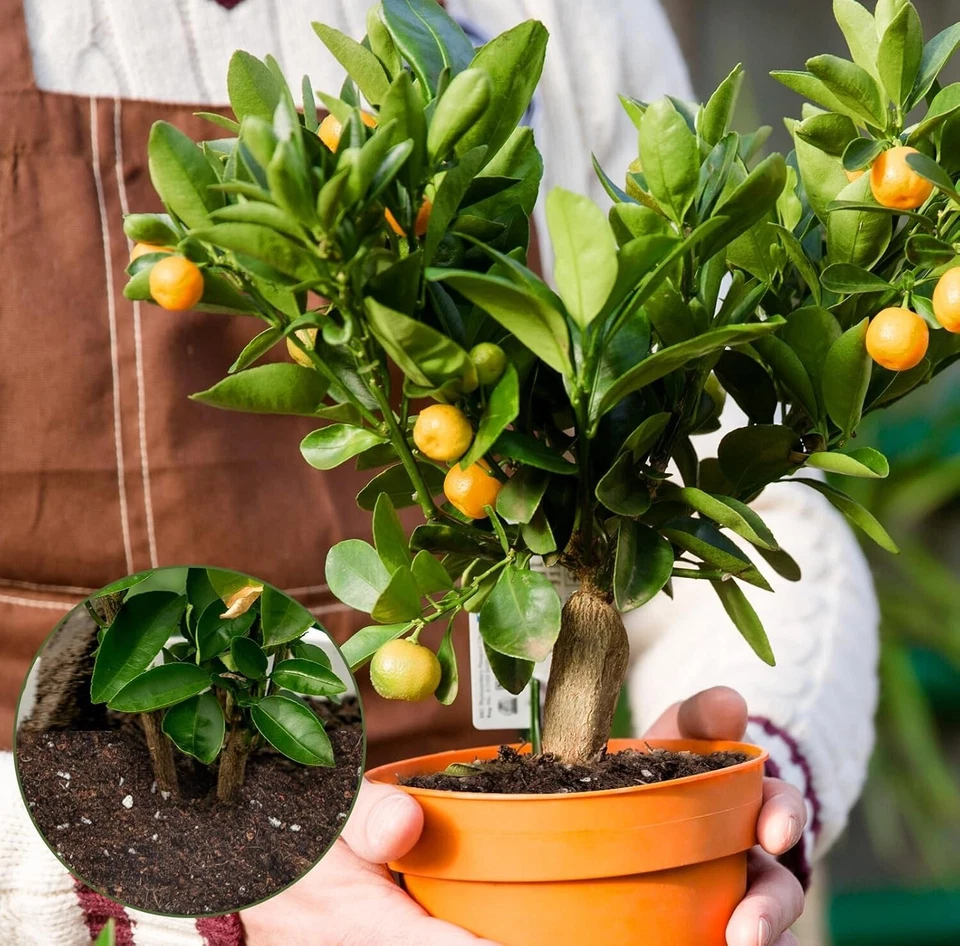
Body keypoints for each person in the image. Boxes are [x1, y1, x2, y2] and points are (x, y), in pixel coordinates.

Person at [0, 1, 876, 944]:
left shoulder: (560, 14)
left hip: (530, 885)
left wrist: (743, 788)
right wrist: (169, 878)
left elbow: (747, 481)